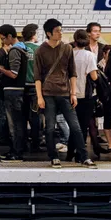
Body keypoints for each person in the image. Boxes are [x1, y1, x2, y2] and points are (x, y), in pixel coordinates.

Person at [34, 19, 84, 168]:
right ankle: (53, 156)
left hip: (65, 93)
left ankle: (84, 156)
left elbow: (72, 73)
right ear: (49, 33)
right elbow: (37, 76)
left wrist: (73, 93)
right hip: (47, 93)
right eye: (57, 31)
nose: (60, 33)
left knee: (75, 126)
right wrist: (39, 97)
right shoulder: (41, 51)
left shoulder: (67, 48)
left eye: (61, 30)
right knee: (49, 127)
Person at [0, 25, 28, 162]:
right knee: (19, 122)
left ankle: (16, 152)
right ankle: (18, 149)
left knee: (14, 123)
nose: (2, 42)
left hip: (13, 91)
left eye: (3, 38)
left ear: (9, 36)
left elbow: (13, 74)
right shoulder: (24, 48)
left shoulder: (14, 50)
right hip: (19, 90)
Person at [71, 30, 100, 165]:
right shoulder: (90, 55)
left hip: (70, 94)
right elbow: (94, 76)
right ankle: (80, 154)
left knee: (72, 124)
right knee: (83, 126)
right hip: (85, 95)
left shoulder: (69, 54)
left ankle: (70, 152)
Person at [86, 22, 111, 152]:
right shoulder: (84, 48)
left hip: (103, 84)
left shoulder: (103, 48)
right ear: (88, 33)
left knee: (105, 110)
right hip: (88, 84)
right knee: (90, 112)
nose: (97, 33)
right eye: (95, 31)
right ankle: (94, 139)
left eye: (99, 31)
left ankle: (101, 138)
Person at [20, 23, 43, 152]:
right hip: (35, 87)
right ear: (34, 35)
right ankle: (36, 143)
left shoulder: (19, 48)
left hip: (21, 87)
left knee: (22, 117)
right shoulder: (39, 49)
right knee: (35, 116)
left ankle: (23, 142)